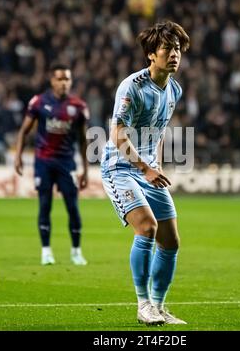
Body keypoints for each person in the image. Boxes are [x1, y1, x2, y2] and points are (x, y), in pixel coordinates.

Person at [101, 21, 190, 325]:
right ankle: (143, 305)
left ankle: (159, 307)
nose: (174, 54)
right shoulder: (132, 87)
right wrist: (145, 168)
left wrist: (157, 165)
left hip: (149, 169)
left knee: (171, 241)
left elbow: (159, 131)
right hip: (120, 167)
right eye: (168, 48)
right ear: (152, 54)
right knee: (147, 228)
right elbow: (116, 134)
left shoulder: (174, 89)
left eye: (178, 48)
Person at [15, 63, 89, 266]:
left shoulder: (79, 106)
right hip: (44, 162)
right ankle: (46, 251)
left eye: (67, 79)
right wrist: (18, 155)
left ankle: (76, 251)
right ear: (52, 80)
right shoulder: (39, 102)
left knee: (72, 208)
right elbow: (24, 130)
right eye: (60, 78)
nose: (64, 83)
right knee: (45, 206)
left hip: (67, 163)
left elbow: (83, 140)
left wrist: (85, 170)